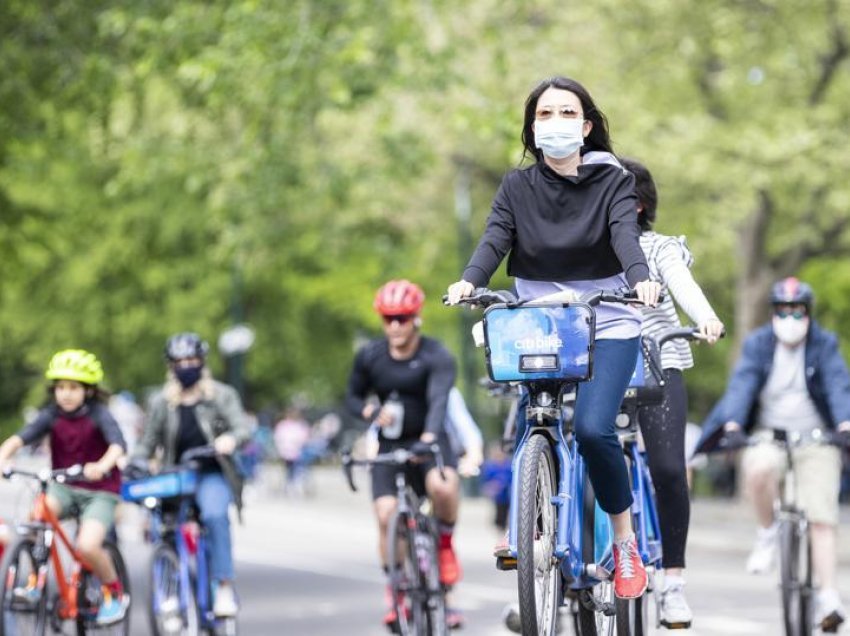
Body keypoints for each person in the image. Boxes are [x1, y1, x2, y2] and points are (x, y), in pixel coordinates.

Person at [446, 76, 661, 599]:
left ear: (586, 127)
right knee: (532, 413)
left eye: (568, 113)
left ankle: (626, 544)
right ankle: (526, 513)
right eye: (545, 115)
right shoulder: (516, 187)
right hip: (543, 317)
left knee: (591, 429)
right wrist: (470, 281)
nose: (556, 123)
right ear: (532, 127)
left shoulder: (613, 182)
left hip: (608, 315)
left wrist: (641, 280)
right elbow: (496, 236)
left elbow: (624, 236)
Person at [695, 277, 850, 632]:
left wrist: (844, 424)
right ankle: (767, 531)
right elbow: (742, 385)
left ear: (809, 314)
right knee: (759, 468)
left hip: (817, 438)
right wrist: (733, 424)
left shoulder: (824, 344)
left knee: (822, 515)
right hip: (769, 434)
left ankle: (828, 595)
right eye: (783, 310)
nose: (790, 318)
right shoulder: (758, 345)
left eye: (797, 311)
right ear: (773, 313)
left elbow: (838, 385)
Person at [620, 157, 725, 628]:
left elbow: (682, 284)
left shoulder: (659, 248)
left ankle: (673, 584)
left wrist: (704, 316)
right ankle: (548, 568)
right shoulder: (584, 253)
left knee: (667, 467)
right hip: (594, 372)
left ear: (638, 206)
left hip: (657, 367)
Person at [345, 279, 464, 630]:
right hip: (390, 444)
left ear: (416, 318)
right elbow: (351, 396)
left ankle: (443, 545)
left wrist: (428, 438)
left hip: (429, 438)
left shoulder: (436, 354)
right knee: (385, 515)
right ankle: (395, 587)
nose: (396, 325)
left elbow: (440, 399)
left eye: (403, 317)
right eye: (388, 318)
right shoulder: (370, 356)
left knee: (443, 486)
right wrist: (368, 413)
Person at [0, 350, 128, 624]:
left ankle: (113, 592)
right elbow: (21, 437)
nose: (66, 394)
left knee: (87, 545)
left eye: (73, 387)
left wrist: (102, 466)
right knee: (35, 519)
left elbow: (118, 445)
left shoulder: (99, 414)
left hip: (99, 491)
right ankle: (36, 582)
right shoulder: (52, 415)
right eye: (60, 387)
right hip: (64, 486)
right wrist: (3, 456)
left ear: (89, 390)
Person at [132, 332, 250, 618]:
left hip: (211, 472)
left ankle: (223, 584)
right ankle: (171, 586)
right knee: (165, 528)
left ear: (201, 362)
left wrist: (229, 441)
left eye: (191, 360)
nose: (186, 366)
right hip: (176, 476)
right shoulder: (162, 402)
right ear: (171, 366)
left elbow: (242, 429)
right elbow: (147, 443)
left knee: (214, 515)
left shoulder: (221, 395)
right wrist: (137, 462)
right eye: (179, 361)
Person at [273, 407, 311, 496]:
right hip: (286, 451)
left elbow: (304, 438)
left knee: (297, 468)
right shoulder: (283, 425)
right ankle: (290, 484)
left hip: (297, 451)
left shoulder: (300, 425)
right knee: (289, 469)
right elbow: (278, 438)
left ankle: (295, 484)